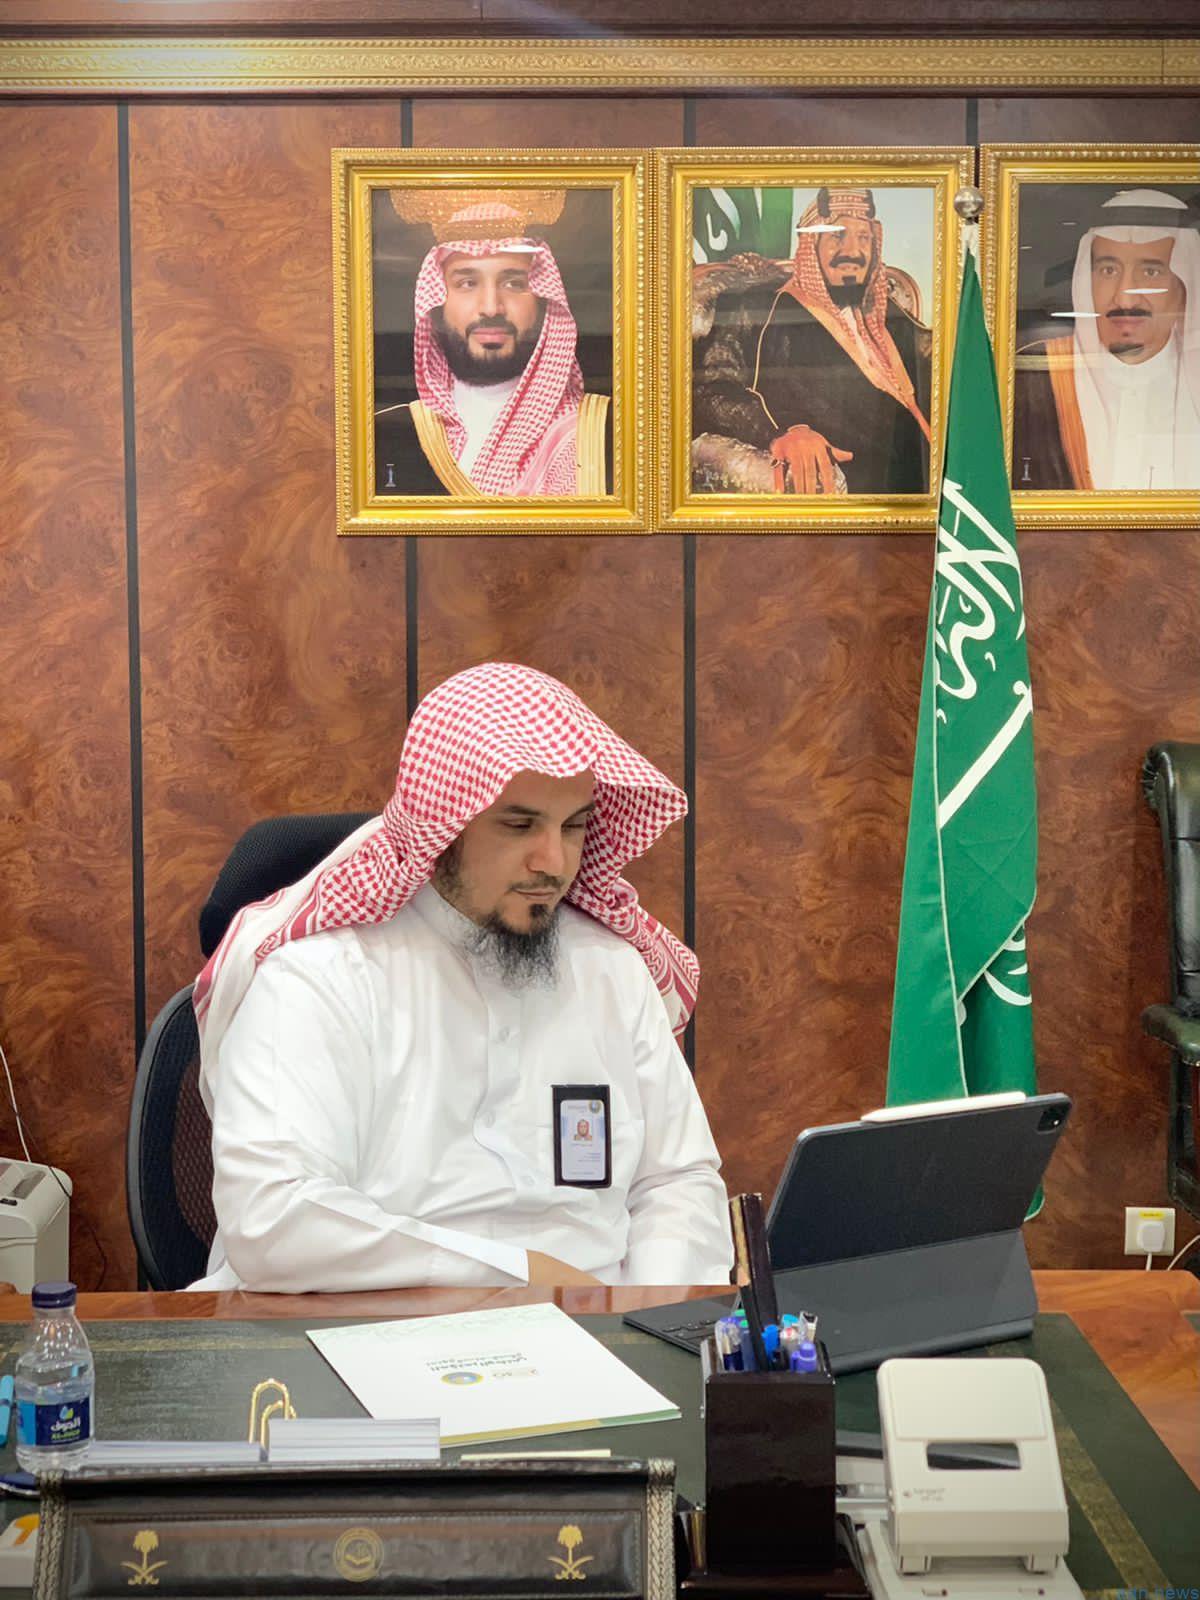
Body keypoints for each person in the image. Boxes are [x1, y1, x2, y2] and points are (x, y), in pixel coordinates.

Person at [189, 663, 732, 1292]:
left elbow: (677, 1182)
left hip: (597, 1329)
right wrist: (520, 1278)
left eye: (574, 826)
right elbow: (274, 1218)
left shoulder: (611, 970)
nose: (554, 861)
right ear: (445, 825)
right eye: (519, 825)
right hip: (366, 1325)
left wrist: (645, 1317)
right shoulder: (321, 977)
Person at [690, 187, 932, 495]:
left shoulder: (888, 313)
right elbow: (710, 392)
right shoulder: (760, 305)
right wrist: (785, 432)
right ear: (811, 246)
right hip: (861, 485)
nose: (853, 251)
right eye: (837, 236)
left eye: (863, 237)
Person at [375, 190, 610, 497]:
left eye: (513, 283)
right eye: (467, 283)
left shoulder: (606, 433)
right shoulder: (386, 435)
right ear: (436, 304)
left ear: (543, 302)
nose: (491, 307)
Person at [1012, 189, 1199, 492]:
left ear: (1184, 286)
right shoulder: (1034, 373)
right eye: (1108, 270)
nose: (1125, 297)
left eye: (1151, 272)